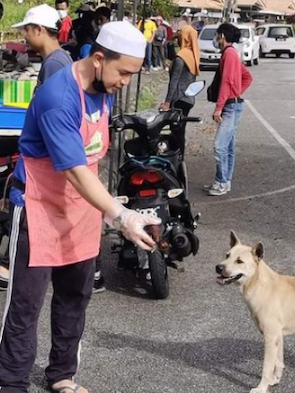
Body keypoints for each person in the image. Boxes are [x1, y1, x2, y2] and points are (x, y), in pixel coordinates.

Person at [0, 22, 158, 393]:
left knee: (75, 295)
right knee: (25, 304)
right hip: (40, 203)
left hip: (82, 206)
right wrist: (121, 217)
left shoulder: (104, 87)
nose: (125, 83)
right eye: (123, 73)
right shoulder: (59, 96)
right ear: (99, 59)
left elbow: (90, 160)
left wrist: (106, 206)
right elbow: (72, 170)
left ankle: (61, 376)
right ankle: (10, 383)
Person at [0, 4, 74, 292]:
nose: (26, 38)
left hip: (38, 170)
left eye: (28, 32)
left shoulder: (55, 64)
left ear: (39, 30)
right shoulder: (59, 59)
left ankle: (17, 266)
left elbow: (55, 118)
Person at [204, 23, 252, 196]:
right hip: (233, 103)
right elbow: (247, 76)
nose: (215, 38)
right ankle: (221, 181)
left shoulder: (229, 54)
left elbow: (226, 83)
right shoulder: (230, 53)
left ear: (222, 36)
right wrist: (237, 91)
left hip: (230, 106)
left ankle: (223, 182)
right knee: (228, 145)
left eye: (217, 35)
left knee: (219, 146)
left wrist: (219, 107)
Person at [160, 25, 200, 154]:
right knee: (181, 131)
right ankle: (180, 160)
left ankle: (176, 159)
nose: (178, 39)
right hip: (188, 99)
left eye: (180, 36)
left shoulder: (181, 57)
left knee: (176, 132)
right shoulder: (193, 55)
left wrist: (167, 102)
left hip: (178, 99)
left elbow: (174, 82)